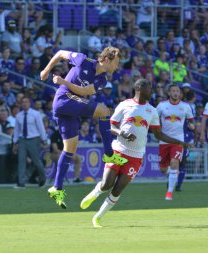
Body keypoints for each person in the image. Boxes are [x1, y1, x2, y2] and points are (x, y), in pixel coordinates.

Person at [80, 79, 191, 228]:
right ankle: (95, 193)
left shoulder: (151, 110)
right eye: (148, 87)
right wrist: (122, 133)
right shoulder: (125, 104)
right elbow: (110, 125)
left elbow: (158, 135)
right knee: (107, 184)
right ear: (139, 88)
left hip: (136, 156)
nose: (151, 90)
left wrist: (179, 142)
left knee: (118, 189)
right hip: (118, 151)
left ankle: (98, 218)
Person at [40, 47, 127, 208]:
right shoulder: (82, 60)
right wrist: (46, 70)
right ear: (106, 59)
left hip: (70, 107)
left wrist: (63, 81)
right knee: (104, 111)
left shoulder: (103, 80)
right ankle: (109, 154)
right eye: (116, 62)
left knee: (70, 148)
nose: (117, 67)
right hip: (63, 99)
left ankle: (56, 188)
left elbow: (83, 91)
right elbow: (60, 53)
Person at [156, 84, 194, 200]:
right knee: (163, 169)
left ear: (180, 94)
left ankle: (169, 193)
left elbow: (191, 121)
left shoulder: (186, 107)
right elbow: (154, 120)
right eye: (173, 91)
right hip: (164, 141)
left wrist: (191, 125)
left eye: (177, 91)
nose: (175, 93)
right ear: (169, 93)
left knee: (174, 163)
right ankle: (173, 173)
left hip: (178, 141)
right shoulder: (162, 106)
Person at [13, 97, 47, 188]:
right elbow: (16, 130)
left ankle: (42, 178)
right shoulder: (18, 115)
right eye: (22, 102)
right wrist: (15, 142)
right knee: (21, 161)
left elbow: (41, 127)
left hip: (33, 139)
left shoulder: (36, 114)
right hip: (22, 139)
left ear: (29, 103)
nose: (24, 104)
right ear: (21, 104)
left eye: (26, 102)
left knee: (36, 161)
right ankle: (21, 182)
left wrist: (44, 139)